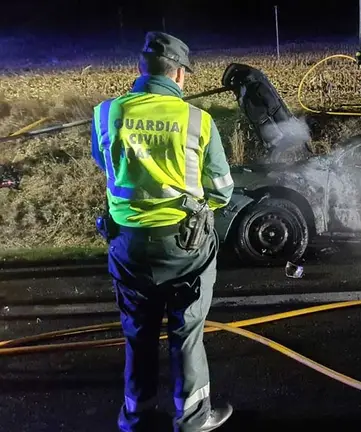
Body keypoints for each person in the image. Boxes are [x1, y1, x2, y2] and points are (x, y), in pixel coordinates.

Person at [90, 31, 235, 432]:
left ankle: (135, 416)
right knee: (186, 331)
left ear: (141, 68)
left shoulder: (106, 113)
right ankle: (192, 418)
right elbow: (222, 191)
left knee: (138, 333)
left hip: (127, 244)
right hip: (184, 247)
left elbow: (104, 162)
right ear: (180, 75)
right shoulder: (197, 120)